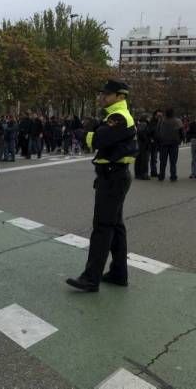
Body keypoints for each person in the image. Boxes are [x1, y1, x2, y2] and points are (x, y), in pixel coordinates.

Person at [66, 79, 137, 292]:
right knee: (115, 226)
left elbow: (98, 140)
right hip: (114, 175)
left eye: (107, 94)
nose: (102, 97)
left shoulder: (119, 117)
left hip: (113, 177)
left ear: (120, 96)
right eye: (103, 93)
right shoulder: (113, 116)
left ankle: (91, 278)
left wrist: (81, 134)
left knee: (103, 227)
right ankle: (118, 273)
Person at [156, 108, 184, 182]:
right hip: (174, 144)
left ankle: (161, 175)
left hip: (163, 143)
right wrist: (181, 140)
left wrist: (159, 142)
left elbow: (157, 132)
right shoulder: (177, 121)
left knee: (163, 161)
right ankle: (173, 176)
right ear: (173, 113)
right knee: (173, 162)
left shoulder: (161, 121)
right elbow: (181, 132)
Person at [134, 115, 150, 180]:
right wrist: (147, 140)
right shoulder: (144, 124)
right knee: (145, 159)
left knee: (138, 159)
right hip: (144, 144)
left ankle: (137, 174)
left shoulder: (139, 125)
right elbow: (142, 133)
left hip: (139, 144)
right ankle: (144, 174)